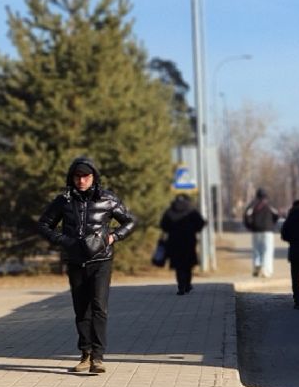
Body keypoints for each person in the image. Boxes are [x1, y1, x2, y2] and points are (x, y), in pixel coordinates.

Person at [33, 156, 136, 375]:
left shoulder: (107, 199)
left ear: (94, 177)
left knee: (99, 307)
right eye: (77, 176)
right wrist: (64, 240)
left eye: (86, 176)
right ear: (71, 178)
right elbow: (43, 225)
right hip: (75, 261)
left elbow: (130, 221)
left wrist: (113, 237)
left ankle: (98, 357)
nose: (82, 180)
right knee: (81, 309)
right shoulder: (64, 201)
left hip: (101, 261)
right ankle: (85, 355)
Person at [161, 194, 207, 294]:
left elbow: (163, 225)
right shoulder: (192, 211)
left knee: (179, 265)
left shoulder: (170, 211)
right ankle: (187, 284)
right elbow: (200, 224)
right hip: (189, 241)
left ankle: (181, 286)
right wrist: (193, 229)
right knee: (188, 264)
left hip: (174, 241)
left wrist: (172, 229)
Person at [243, 188, 281, 278]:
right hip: (268, 231)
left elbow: (246, 215)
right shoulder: (269, 204)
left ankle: (257, 264)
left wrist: (250, 226)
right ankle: (266, 271)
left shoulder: (252, 205)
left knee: (257, 249)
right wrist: (272, 223)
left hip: (256, 230)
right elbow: (277, 214)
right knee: (267, 251)